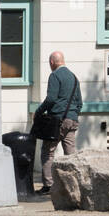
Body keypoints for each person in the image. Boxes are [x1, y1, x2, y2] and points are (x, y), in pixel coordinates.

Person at [34, 50, 81, 194]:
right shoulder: (74, 77)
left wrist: (39, 111)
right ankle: (74, 185)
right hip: (72, 120)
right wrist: (72, 114)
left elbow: (51, 99)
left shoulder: (54, 75)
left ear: (51, 62)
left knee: (48, 152)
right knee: (70, 154)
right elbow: (79, 103)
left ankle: (49, 185)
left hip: (57, 120)